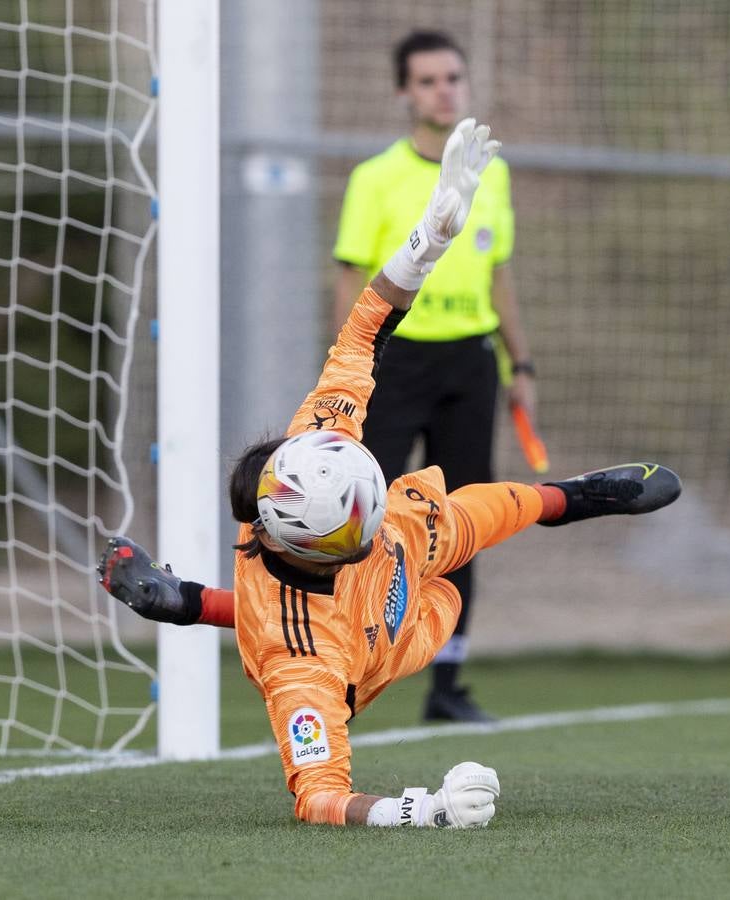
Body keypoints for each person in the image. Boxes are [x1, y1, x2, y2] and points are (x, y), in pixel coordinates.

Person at [98, 120, 681, 828]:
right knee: (439, 601)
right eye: (362, 533)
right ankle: (183, 601)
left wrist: (430, 238)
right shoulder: (301, 665)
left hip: (407, 535)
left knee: (491, 506)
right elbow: (318, 798)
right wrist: (421, 810)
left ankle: (585, 493)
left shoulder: (320, 437)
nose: (377, 536)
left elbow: (367, 323)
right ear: (329, 547)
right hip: (389, 634)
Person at [332, 30, 534, 722]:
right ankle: (343, 663)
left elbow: (499, 272)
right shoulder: (374, 178)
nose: (444, 90)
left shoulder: (493, 173)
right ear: (403, 93)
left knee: (462, 521)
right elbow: (351, 278)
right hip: (398, 362)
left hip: (469, 364)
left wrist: (520, 362)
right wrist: (355, 362)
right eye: (428, 80)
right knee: (362, 518)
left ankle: (448, 684)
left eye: (454, 77)